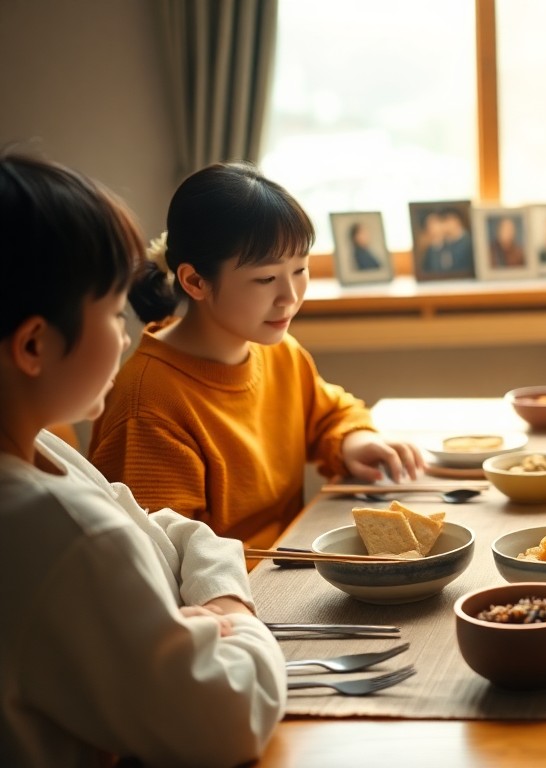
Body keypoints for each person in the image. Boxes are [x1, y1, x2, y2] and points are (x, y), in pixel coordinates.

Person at [0, 152, 285, 767]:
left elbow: (160, 530)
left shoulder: (41, 449)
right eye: (111, 312)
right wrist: (237, 611)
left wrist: (213, 588)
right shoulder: (59, 531)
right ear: (34, 344)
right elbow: (230, 717)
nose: (129, 333)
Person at [88, 163, 424, 550]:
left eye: (300, 269)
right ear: (195, 281)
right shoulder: (148, 407)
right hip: (230, 585)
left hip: (287, 561)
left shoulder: (278, 351)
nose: (290, 297)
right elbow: (162, 559)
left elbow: (330, 413)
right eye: (266, 278)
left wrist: (354, 441)